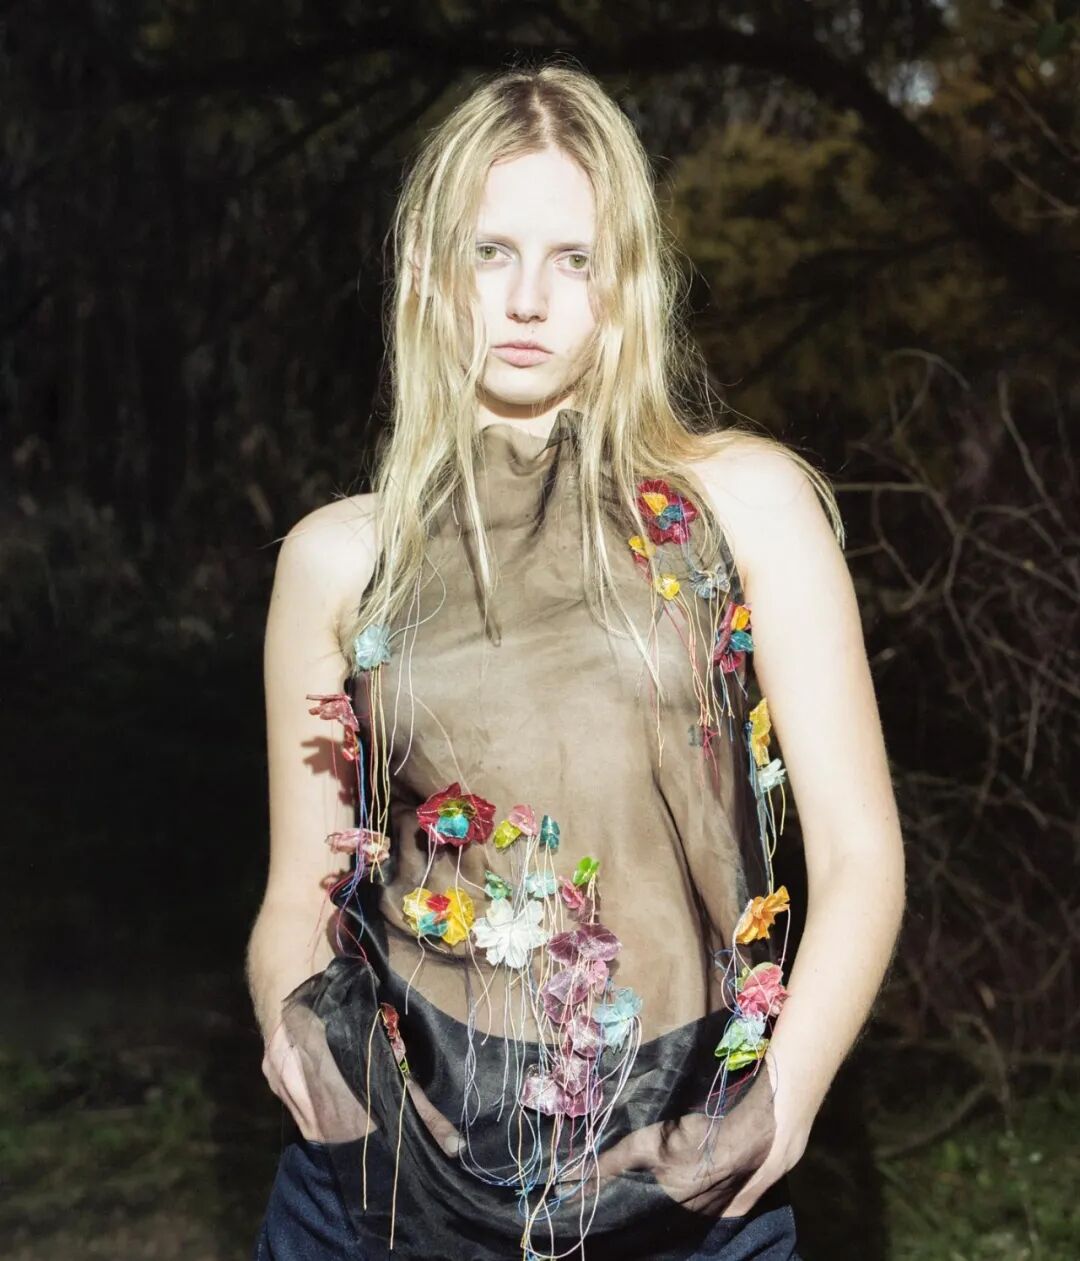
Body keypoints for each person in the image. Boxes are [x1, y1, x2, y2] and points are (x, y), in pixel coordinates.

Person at [246, 61, 906, 1261]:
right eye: (491, 252)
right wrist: (305, 1054)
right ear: (427, 271)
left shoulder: (746, 506)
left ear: (627, 280)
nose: (527, 300)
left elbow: (861, 854)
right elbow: (300, 888)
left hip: (685, 1169)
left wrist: (783, 1101)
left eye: (573, 258)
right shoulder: (340, 555)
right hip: (386, 1181)